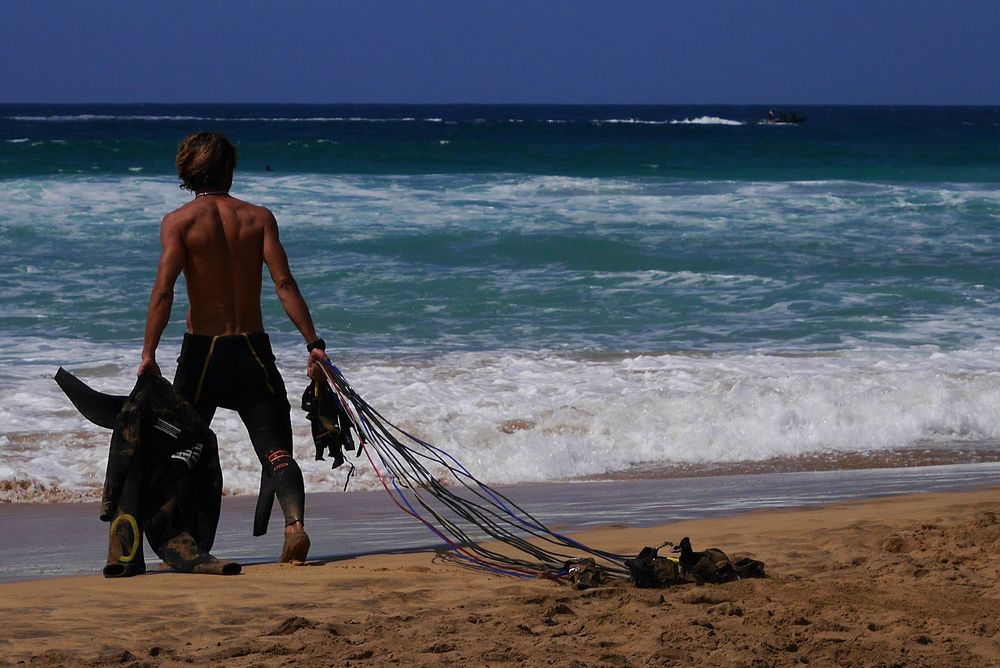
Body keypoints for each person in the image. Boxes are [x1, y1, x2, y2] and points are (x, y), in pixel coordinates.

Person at [138, 131, 326, 563]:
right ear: (230, 168)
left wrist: (148, 354)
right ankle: (294, 527)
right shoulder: (258, 218)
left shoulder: (179, 221)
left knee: (180, 449)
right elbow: (284, 284)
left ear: (188, 170)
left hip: (203, 355)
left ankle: (184, 538)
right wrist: (313, 343)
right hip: (252, 350)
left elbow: (163, 292)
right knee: (273, 445)